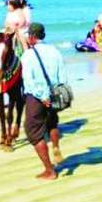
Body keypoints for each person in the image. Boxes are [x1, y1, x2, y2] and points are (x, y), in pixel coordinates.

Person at [21, 23, 67, 180]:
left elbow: (28, 81)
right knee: (52, 123)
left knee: (33, 132)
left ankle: (50, 170)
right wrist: (55, 93)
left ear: (32, 37)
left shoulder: (28, 55)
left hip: (37, 98)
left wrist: (43, 96)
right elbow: (62, 77)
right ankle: (55, 147)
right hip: (55, 94)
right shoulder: (55, 51)